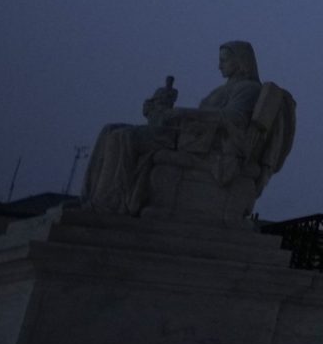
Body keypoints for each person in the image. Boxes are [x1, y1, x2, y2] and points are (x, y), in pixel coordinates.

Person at [85, 40, 284, 216]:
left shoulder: (248, 89)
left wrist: (183, 113)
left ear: (240, 62)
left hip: (204, 144)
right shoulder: (224, 89)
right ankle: (90, 196)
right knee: (110, 130)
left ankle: (108, 202)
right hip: (189, 136)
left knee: (123, 137)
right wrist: (162, 111)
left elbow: (235, 118)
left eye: (224, 60)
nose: (219, 66)